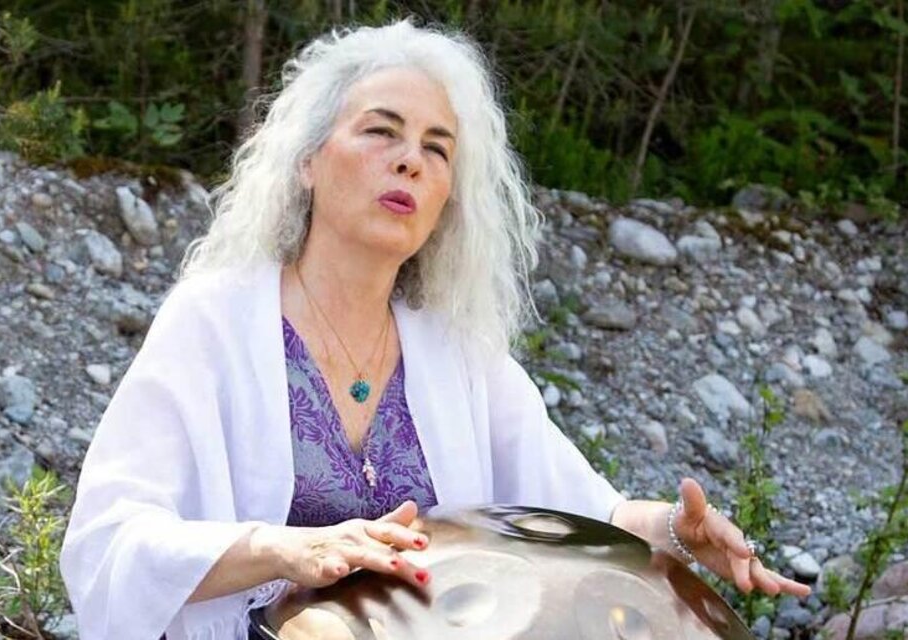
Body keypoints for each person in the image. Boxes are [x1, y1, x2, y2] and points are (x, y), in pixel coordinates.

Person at [59, 19, 810, 640]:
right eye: (381, 132)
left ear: (450, 193)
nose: (410, 161)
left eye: (436, 147)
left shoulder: (455, 350)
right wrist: (286, 547)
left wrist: (680, 535)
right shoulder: (214, 320)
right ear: (307, 162)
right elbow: (107, 540)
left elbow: (582, 510)